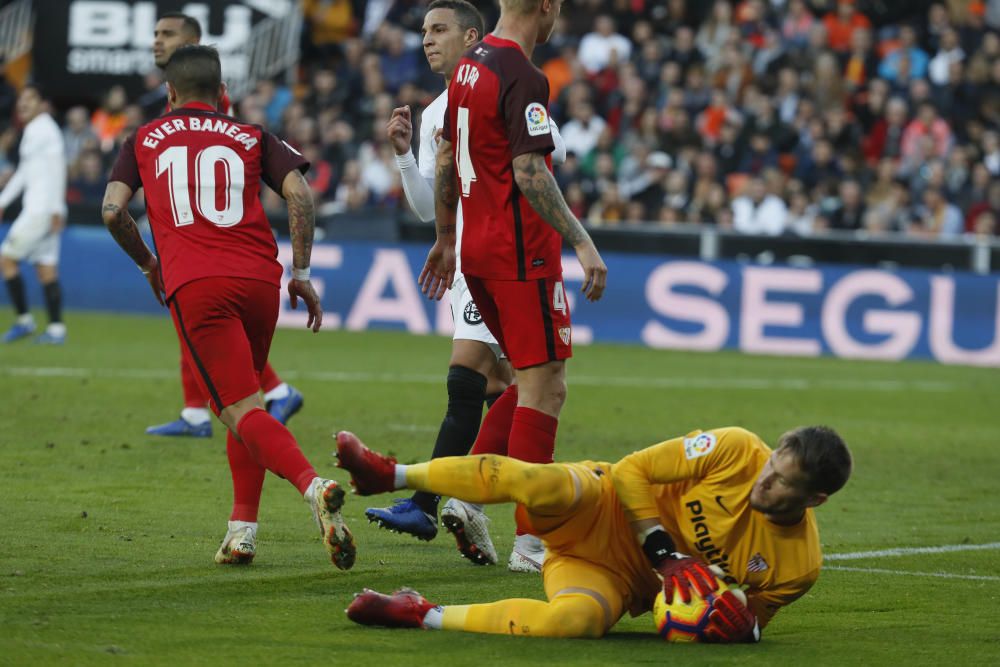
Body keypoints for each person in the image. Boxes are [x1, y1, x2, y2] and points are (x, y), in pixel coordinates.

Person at [101, 45, 355, 569]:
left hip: (198, 283)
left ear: (170, 93)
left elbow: (111, 211)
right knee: (249, 401)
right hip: (261, 280)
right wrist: (302, 274)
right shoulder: (251, 133)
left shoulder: (144, 137)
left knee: (236, 409)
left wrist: (151, 264)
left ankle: (313, 485)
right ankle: (242, 532)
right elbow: (300, 195)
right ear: (222, 94)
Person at [367, 0, 566, 566]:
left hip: (496, 252)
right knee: (520, 383)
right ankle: (461, 504)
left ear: (472, 34)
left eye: (439, 29)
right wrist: (406, 160)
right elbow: (435, 200)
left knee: (495, 380)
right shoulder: (442, 107)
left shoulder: (488, 84)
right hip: (494, 253)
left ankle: (443, 500)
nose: (427, 40)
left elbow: (539, 161)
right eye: (423, 31)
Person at [336, 424, 852, 641]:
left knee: (574, 622)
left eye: (784, 482)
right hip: (601, 502)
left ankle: (418, 613)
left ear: (814, 501)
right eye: (772, 465)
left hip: (616, 578)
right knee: (533, 481)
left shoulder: (798, 567)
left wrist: (738, 627)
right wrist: (665, 552)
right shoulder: (738, 449)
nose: (766, 479)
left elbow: (750, 621)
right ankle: (390, 474)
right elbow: (631, 470)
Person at [418, 0, 607, 573]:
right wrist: (580, 240)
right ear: (546, 7)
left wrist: (448, 238)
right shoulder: (522, 75)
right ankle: (532, 540)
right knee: (547, 388)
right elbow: (529, 172)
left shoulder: (468, 66)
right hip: (520, 255)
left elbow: (448, 156)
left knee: (528, 380)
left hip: (478, 251)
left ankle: (467, 496)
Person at [144, 13, 304, 438]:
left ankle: (268, 391)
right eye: (156, 34)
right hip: (198, 238)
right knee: (193, 319)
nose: (156, 41)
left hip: (211, 237)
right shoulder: (181, 99)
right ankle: (202, 409)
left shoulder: (206, 104)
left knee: (202, 318)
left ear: (193, 42)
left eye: (167, 34)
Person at [0, 85, 68, 344]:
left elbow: (57, 169)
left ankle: (24, 321)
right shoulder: (35, 129)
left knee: (6, 259)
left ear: (42, 103)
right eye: (21, 100)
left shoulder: (44, 130)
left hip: (41, 210)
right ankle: (56, 329)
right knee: (46, 269)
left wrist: (55, 209)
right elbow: (25, 172)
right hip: (43, 208)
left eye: (30, 99)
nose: (23, 104)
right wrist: (3, 200)